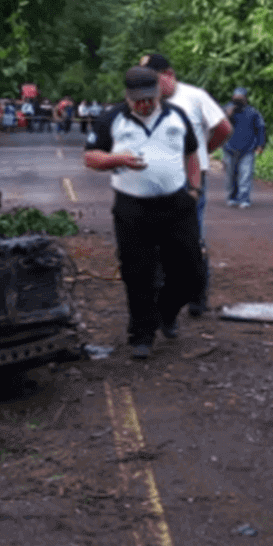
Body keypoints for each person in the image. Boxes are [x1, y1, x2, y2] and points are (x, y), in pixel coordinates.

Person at [84, 67, 204, 360]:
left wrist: (194, 189)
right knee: (138, 273)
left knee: (190, 272)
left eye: (149, 99)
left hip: (177, 204)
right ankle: (142, 334)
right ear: (127, 96)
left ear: (159, 93)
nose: (143, 105)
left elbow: (191, 153)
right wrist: (116, 158)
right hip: (132, 207)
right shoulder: (111, 119)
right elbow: (90, 157)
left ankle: (166, 311)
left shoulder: (177, 116)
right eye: (137, 100)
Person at [140, 53, 232, 318]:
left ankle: (197, 295)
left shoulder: (195, 96)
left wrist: (203, 151)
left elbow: (223, 128)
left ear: (168, 74)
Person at [222, 87, 267, 208]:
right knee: (231, 174)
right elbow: (217, 126)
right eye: (235, 98)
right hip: (229, 148)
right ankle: (232, 197)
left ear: (245, 99)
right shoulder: (226, 110)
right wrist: (227, 116)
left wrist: (260, 144)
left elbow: (261, 128)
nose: (237, 101)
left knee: (245, 175)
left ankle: (244, 198)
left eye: (240, 99)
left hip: (247, 149)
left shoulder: (252, 112)